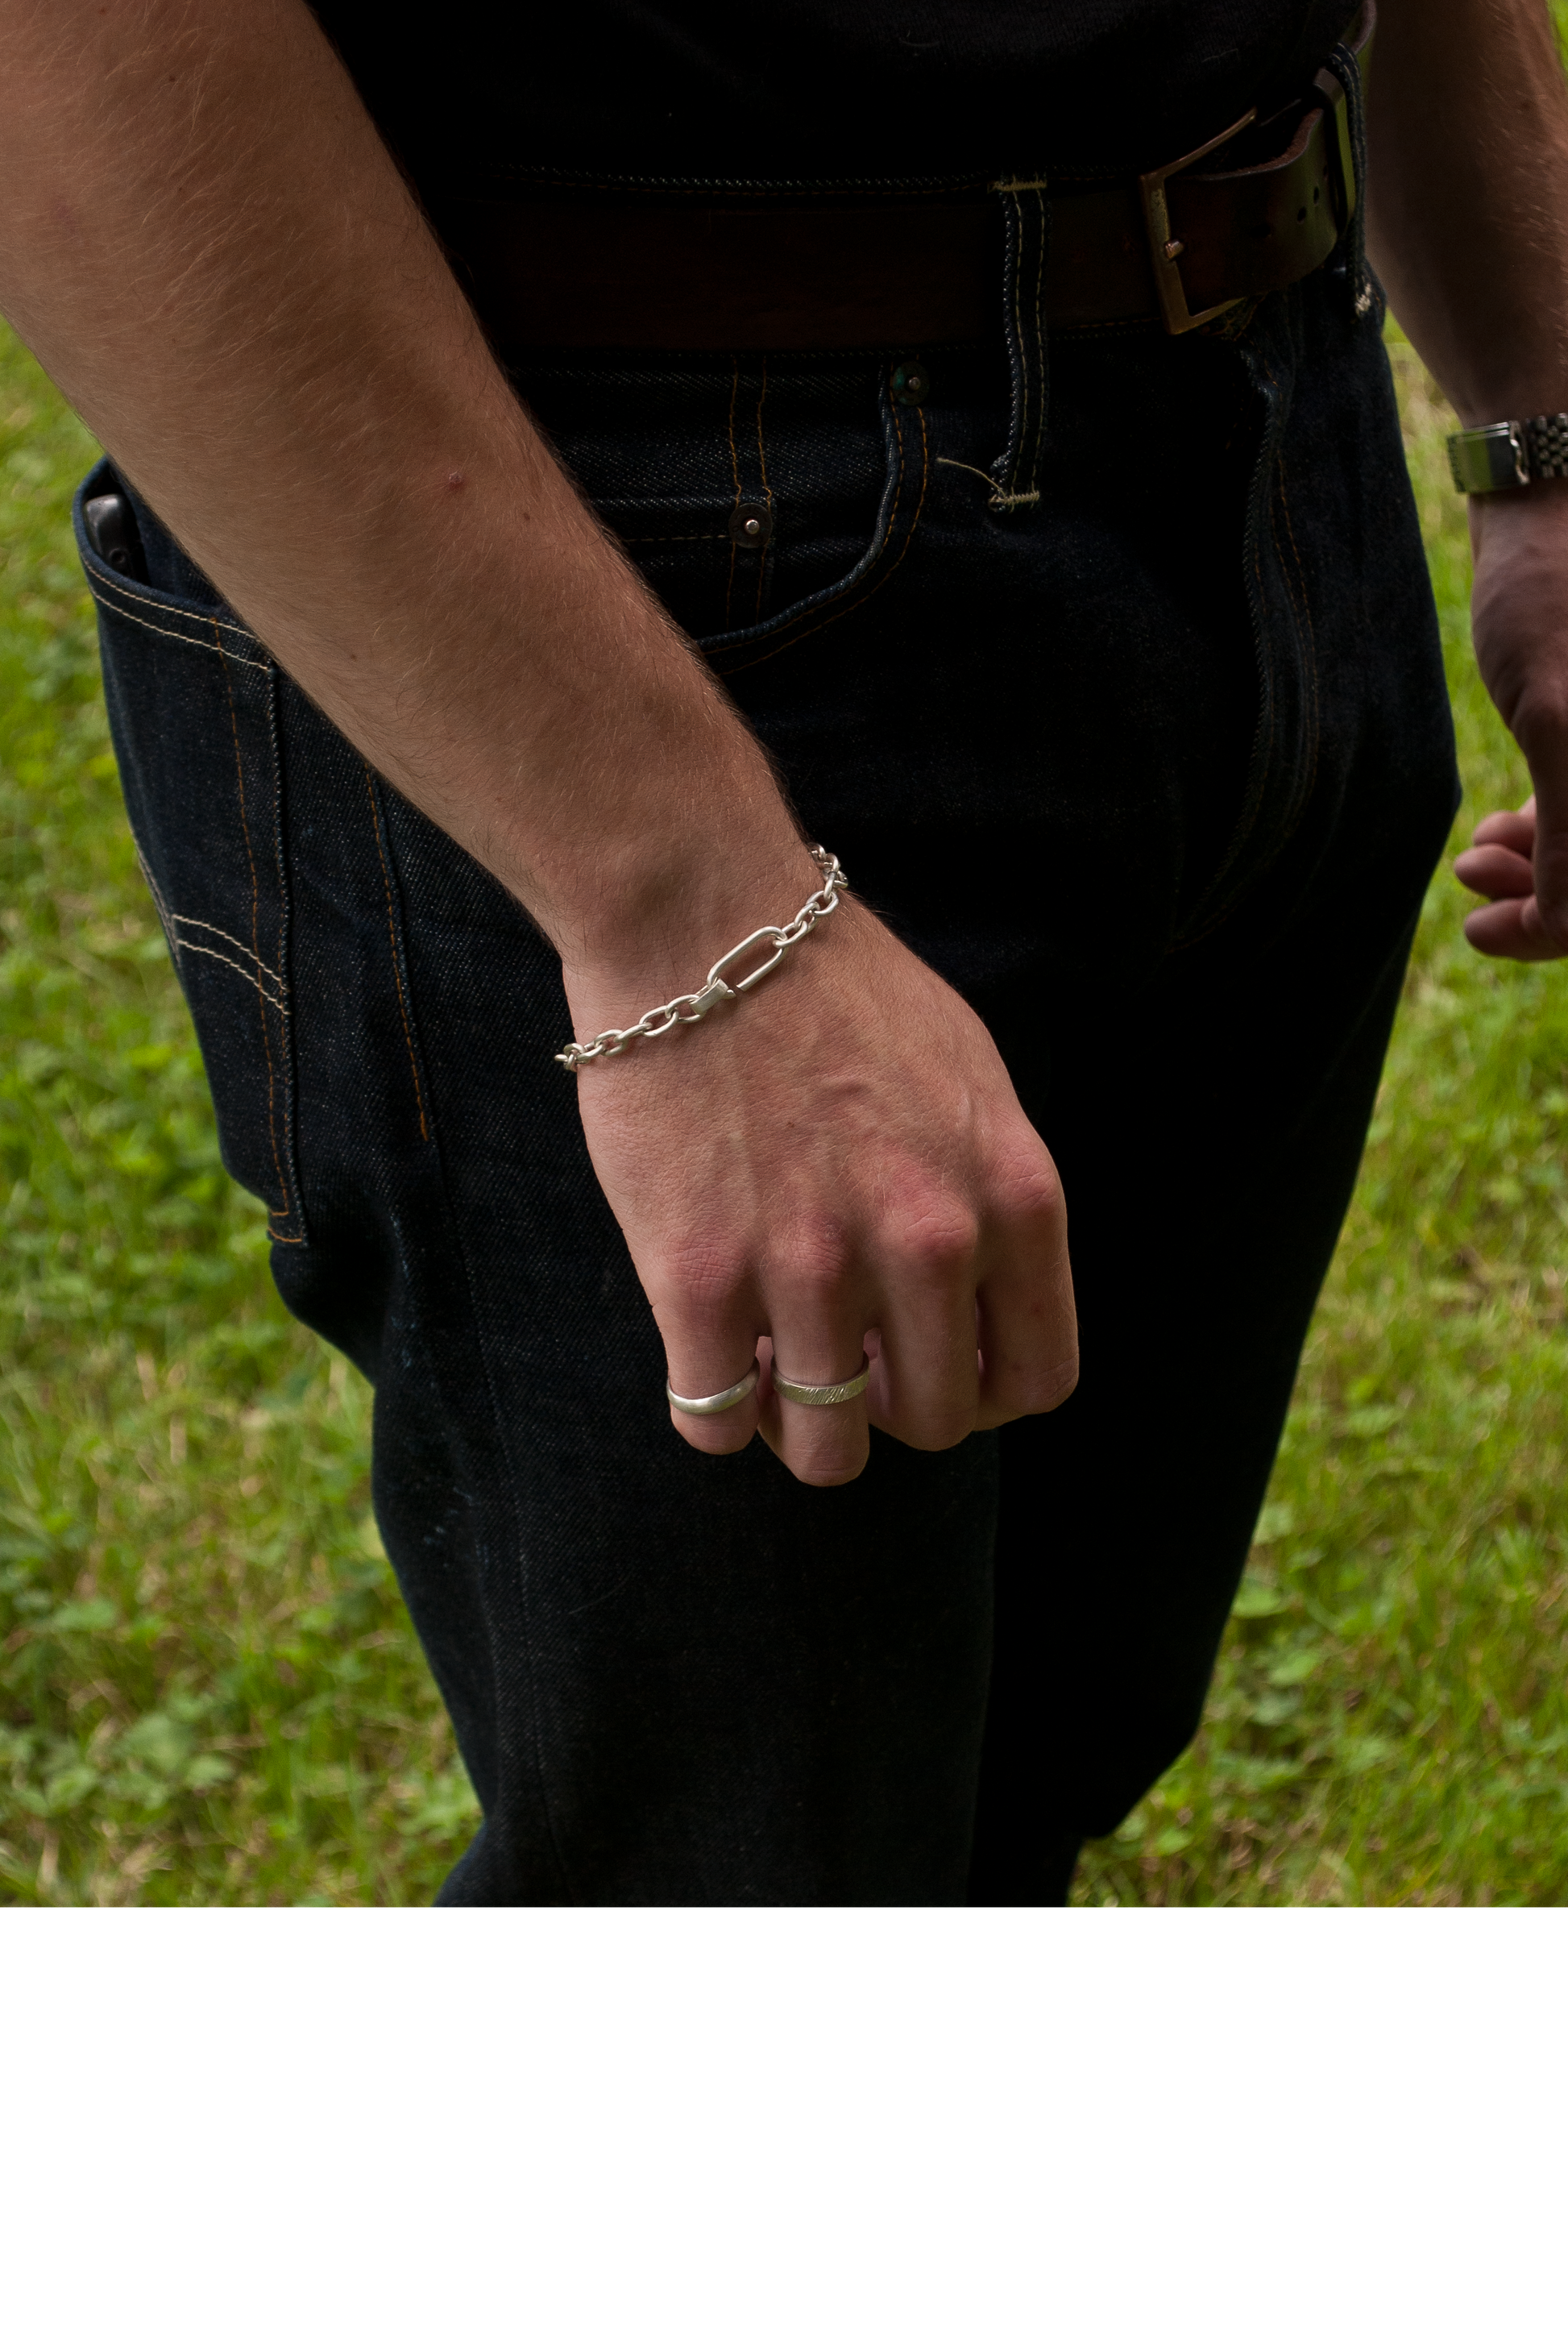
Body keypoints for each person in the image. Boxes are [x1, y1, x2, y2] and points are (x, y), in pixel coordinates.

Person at [0, 2, 1559, 1909]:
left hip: (1258, 430)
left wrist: (1541, 410)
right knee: (748, 1851)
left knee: (1033, 1743)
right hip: (622, 538)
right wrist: (682, 907)